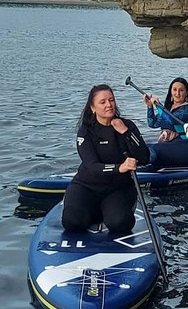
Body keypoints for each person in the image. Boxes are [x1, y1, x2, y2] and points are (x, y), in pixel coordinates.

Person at [61, 84, 150, 234]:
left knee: (120, 224)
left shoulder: (127, 126)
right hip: (87, 185)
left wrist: (126, 132)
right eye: (103, 102)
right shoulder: (86, 131)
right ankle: (88, 209)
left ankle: (110, 211)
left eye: (111, 100)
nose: (109, 105)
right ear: (93, 107)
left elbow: (145, 157)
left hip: (118, 188)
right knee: (72, 222)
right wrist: (119, 168)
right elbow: (92, 166)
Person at [143, 77, 188, 166]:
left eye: (181, 90)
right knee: (142, 146)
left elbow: (172, 120)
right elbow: (153, 124)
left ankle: (143, 163)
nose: (177, 93)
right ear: (171, 91)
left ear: (186, 93)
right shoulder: (167, 109)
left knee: (156, 149)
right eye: (174, 90)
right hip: (171, 146)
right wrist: (150, 107)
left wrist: (158, 106)